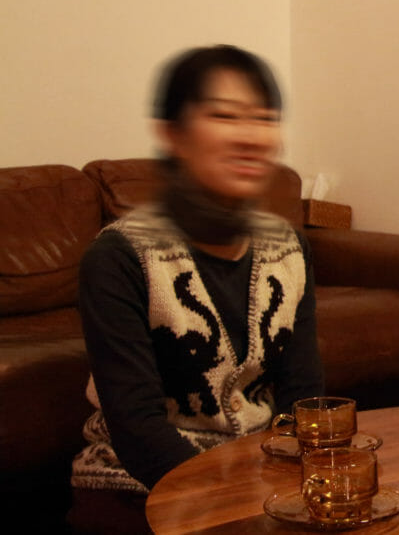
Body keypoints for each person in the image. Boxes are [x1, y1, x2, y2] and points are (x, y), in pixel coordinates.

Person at [67, 45, 324, 533]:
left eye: (265, 119)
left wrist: (296, 488)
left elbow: (303, 397)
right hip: (136, 484)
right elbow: (138, 430)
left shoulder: (288, 246)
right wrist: (238, 507)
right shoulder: (119, 256)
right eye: (224, 115)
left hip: (260, 476)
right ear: (173, 135)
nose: (251, 137)